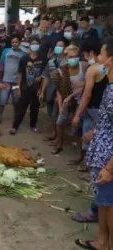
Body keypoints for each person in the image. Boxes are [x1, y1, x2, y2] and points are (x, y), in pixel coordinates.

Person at [75, 36, 113, 250]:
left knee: (109, 204)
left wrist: (109, 168)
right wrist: (95, 131)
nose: (98, 59)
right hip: (103, 154)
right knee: (105, 204)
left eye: (102, 55)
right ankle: (103, 242)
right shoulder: (109, 88)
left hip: (109, 160)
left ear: (111, 61)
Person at [71, 41, 107, 169]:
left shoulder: (94, 69)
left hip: (95, 109)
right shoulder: (106, 68)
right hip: (98, 108)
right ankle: (86, 162)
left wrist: (77, 114)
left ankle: (91, 166)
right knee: (88, 134)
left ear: (90, 53)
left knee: (93, 137)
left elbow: (87, 95)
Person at [51, 45, 88, 154]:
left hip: (82, 99)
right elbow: (59, 90)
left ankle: (81, 153)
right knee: (59, 122)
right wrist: (60, 105)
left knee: (77, 126)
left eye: (76, 56)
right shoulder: (62, 71)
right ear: (66, 58)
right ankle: (59, 144)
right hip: (67, 100)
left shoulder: (85, 66)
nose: (74, 59)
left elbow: (86, 87)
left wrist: (71, 96)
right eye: (71, 57)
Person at [9, 38, 47, 135]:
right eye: (32, 43)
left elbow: (45, 76)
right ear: (29, 45)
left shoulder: (43, 59)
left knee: (35, 109)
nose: (34, 45)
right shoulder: (24, 58)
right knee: (20, 109)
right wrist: (18, 88)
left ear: (39, 46)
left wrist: (42, 90)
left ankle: (33, 125)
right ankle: (14, 127)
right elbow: (20, 74)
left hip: (37, 89)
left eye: (36, 43)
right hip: (25, 88)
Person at [42, 39, 68, 142]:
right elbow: (46, 77)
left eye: (60, 46)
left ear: (65, 48)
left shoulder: (67, 63)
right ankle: (54, 134)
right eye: (57, 45)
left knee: (57, 116)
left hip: (62, 94)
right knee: (51, 115)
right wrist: (42, 91)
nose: (58, 48)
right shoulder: (51, 61)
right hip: (50, 92)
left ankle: (58, 137)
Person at [0, 36, 27, 118]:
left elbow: (23, 69)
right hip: (6, 81)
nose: (14, 44)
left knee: (16, 100)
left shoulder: (24, 54)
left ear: (19, 43)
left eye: (16, 42)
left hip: (16, 82)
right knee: (3, 99)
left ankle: (16, 118)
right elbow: (1, 65)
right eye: (12, 42)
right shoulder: (6, 51)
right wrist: (0, 79)